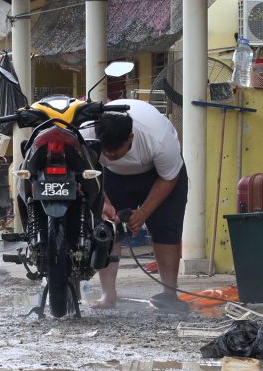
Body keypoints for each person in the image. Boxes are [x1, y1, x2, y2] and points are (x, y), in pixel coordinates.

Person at [80, 99, 188, 310]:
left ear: (130, 138)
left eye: (116, 152)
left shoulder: (158, 139)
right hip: (108, 176)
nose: (111, 156)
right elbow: (84, 171)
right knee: (107, 230)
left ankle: (169, 294)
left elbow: (168, 178)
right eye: (106, 153)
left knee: (166, 228)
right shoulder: (85, 134)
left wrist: (144, 212)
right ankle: (108, 295)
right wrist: (104, 202)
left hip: (159, 175)